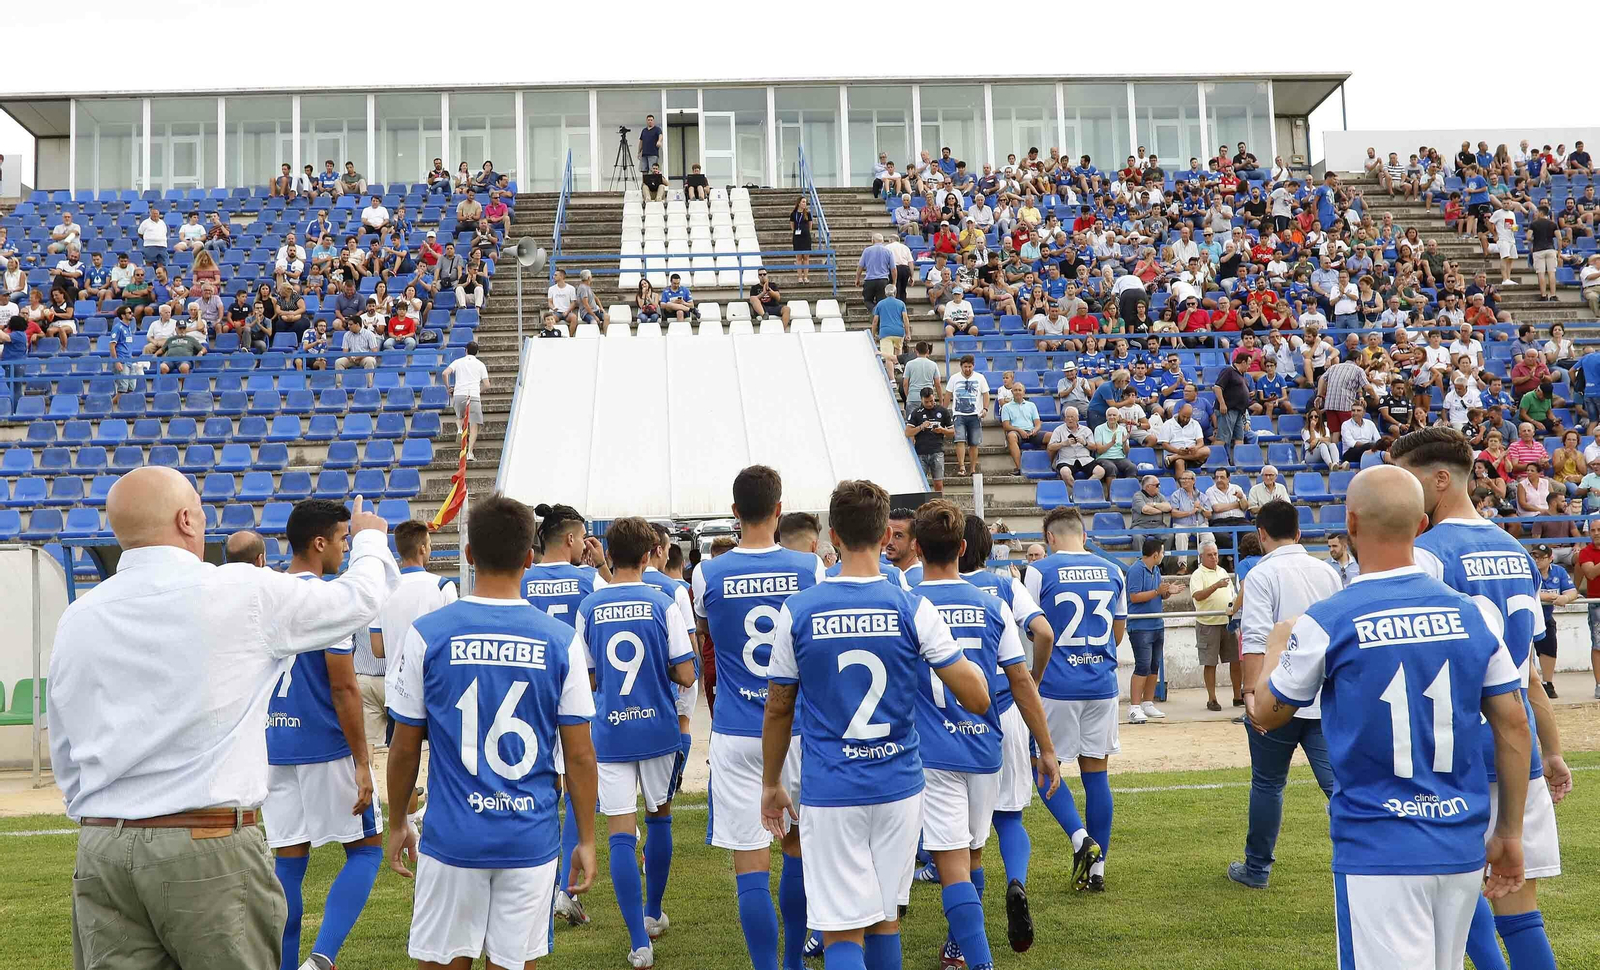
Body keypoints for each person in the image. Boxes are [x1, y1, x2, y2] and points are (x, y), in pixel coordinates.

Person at [47, 471, 397, 970]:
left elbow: (65, 746)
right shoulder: (238, 589)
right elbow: (357, 601)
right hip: (205, 838)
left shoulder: (80, 615)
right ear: (185, 520)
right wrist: (369, 539)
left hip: (103, 842)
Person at [1251, 464, 1531, 970]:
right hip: (1460, 842)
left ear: (1350, 524)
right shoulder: (1473, 614)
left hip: (1378, 848)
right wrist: (1509, 833)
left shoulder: (1328, 619)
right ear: (1421, 525)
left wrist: (1275, 647)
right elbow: (1513, 722)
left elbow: (1268, 714)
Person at [761, 481, 989, 970]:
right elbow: (977, 697)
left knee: (843, 932)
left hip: (831, 786)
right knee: (886, 920)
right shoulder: (912, 607)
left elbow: (779, 709)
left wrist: (771, 782)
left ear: (834, 536)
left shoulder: (798, 610)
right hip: (898, 785)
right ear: (886, 535)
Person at [384, 494, 600, 970]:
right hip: (529, 835)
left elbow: (403, 747)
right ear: (529, 558)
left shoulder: (428, 633)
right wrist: (586, 837)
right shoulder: (561, 640)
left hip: (452, 835)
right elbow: (581, 755)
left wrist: (399, 820)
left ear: (467, 555)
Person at [1391, 428, 1571, 970]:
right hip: (1519, 750)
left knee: (1457, 898)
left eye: (1405, 478)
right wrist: (1551, 749)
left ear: (1440, 479)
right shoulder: (1516, 551)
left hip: (1455, 752)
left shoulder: (1426, 555)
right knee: (1519, 907)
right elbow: (1528, 673)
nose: (1397, 492)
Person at [908, 500, 1061, 969]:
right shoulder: (994, 604)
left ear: (917, 548)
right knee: (973, 857)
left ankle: (978, 960)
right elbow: (1021, 681)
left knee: (952, 866)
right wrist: (1046, 748)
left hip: (932, 750)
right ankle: (959, 948)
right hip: (984, 746)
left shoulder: (905, 602)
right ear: (962, 548)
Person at [692, 465, 825, 970]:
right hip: (794, 729)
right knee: (795, 847)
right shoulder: (809, 568)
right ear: (778, 510)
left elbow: (708, 634)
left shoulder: (707, 573)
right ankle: (793, 963)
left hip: (735, 731)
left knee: (750, 867)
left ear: (734, 512)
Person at [267, 500, 395, 970]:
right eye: (343, 539)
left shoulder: (266, 593)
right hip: (325, 744)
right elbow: (343, 687)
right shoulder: (329, 598)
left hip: (275, 747)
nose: (346, 548)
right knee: (366, 851)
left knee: (288, 865)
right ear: (319, 543)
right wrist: (362, 762)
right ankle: (321, 960)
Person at [572, 517, 697, 968]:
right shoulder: (664, 601)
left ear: (608, 553)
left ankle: (638, 942)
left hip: (611, 731)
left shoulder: (589, 606)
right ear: (648, 556)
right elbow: (687, 674)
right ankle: (652, 913)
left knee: (620, 832)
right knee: (659, 819)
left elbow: (586, 678)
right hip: (658, 728)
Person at [1227, 498, 1342, 890]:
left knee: (1268, 783)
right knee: (1339, 786)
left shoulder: (1262, 573)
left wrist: (1249, 693)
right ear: (1298, 532)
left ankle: (1257, 869)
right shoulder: (1327, 572)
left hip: (1277, 694)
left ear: (1261, 534)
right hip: (1323, 694)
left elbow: (1256, 639)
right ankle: (1365, 855)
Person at [953, 512, 1054, 946]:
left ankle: (963, 934)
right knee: (1010, 815)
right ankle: (1016, 882)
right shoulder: (1006, 587)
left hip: (947, 718)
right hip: (1005, 709)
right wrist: (1034, 678)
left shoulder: (924, 588)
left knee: (959, 836)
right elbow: (1044, 632)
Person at [1022, 507, 1125, 892]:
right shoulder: (1113, 570)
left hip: (1057, 686)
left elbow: (1035, 631)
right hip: (1102, 685)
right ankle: (1098, 870)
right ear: (1083, 535)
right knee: (1096, 774)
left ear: (1049, 538)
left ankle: (1081, 839)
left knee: (1042, 767)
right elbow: (1117, 634)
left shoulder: (1039, 571)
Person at [367, 520, 457, 753]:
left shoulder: (383, 590)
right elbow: (452, 644)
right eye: (429, 544)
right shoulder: (442, 586)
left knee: (401, 759)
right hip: (435, 688)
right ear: (422, 548)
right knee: (440, 756)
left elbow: (378, 649)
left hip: (397, 690)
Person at [1124, 537, 1176, 724]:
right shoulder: (1136, 570)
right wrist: (1157, 592)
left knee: (1154, 665)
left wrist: (1167, 592)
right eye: (1162, 552)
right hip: (1140, 626)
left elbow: (1157, 595)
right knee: (1143, 665)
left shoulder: (1156, 570)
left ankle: (1147, 702)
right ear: (1155, 554)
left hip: (1156, 624)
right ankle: (1134, 707)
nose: (1163, 555)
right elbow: (1134, 596)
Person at [1189, 542, 1240, 711]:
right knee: (1210, 663)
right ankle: (1212, 699)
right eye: (1210, 555)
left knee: (1236, 660)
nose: (1214, 558)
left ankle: (1238, 696)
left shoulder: (1222, 571)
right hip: (1208, 624)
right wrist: (1216, 586)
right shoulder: (1197, 574)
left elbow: (1232, 593)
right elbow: (1197, 596)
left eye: (1216, 554)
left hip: (1227, 622)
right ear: (1201, 557)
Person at [1530, 545, 1577, 699]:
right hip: (1527, 617)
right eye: (1535, 557)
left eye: (1541, 557)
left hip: (1546, 617)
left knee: (1549, 649)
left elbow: (1572, 591)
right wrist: (1544, 596)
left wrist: (1566, 598)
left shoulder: (1559, 571)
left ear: (1550, 558)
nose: (1537, 560)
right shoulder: (1528, 570)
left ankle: (1548, 683)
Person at [444, 340, 489, 462]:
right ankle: (469, 453)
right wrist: (478, 391)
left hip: (459, 393)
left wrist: (448, 388)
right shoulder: (480, 365)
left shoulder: (458, 362)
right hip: (473, 395)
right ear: (477, 352)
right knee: (474, 425)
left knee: (460, 417)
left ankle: (460, 428)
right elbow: (487, 385)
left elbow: (445, 373)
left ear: (466, 350)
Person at [947, 356, 990, 478]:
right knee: (959, 440)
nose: (967, 369)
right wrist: (944, 410)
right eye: (965, 367)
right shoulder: (954, 378)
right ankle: (961, 466)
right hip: (958, 414)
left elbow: (986, 394)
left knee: (974, 443)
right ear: (961, 366)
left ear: (973, 366)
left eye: (970, 367)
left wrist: (985, 408)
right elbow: (948, 394)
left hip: (975, 414)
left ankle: (972, 468)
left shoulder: (980, 378)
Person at [906, 386, 953, 493]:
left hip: (937, 451)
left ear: (934, 397)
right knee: (920, 483)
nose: (929, 404)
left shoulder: (943, 411)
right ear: (921, 400)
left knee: (938, 483)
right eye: (926, 402)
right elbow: (908, 432)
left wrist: (942, 430)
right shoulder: (916, 413)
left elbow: (953, 432)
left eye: (931, 401)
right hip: (920, 452)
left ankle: (939, 502)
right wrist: (921, 427)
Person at [1000, 385, 1048, 476]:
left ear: (1024, 392)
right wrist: (1020, 430)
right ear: (1012, 392)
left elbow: (1038, 424)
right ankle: (1019, 468)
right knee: (1011, 436)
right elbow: (1006, 426)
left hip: (1031, 432)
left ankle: (1049, 465)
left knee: (1051, 436)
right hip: (1016, 432)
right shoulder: (1006, 407)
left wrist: (1035, 430)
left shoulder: (1031, 405)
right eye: (1015, 390)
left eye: (1020, 390)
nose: (1018, 392)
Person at [856, 232, 894, 309]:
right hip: (883, 280)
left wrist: (857, 279)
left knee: (867, 300)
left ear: (872, 241)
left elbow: (860, 266)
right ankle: (878, 313)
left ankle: (874, 311)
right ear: (882, 241)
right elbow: (893, 269)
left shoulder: (867, 251)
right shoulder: (888, 251)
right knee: (881, 302)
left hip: (870, 280)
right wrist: (894, 282)